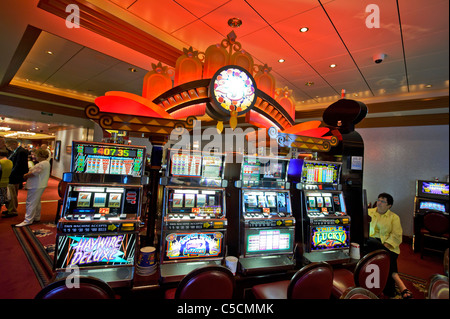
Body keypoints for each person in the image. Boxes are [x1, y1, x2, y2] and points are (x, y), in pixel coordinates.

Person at [366, 192, 413, 299]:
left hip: (388, 245)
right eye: (378, 200)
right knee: (371, 242)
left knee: (386, 258)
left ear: (389, 205)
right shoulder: (368, 212)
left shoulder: (394, 217)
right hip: (369, 243)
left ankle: (391, 289)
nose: (379, 203)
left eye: (383, 201)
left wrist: (384, 247)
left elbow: (396, 235)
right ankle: (398, 286)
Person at [15, 149, 50, 227]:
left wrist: (25, 175)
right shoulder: (46, 163)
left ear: (40, 155)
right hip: (39, 184)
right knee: (36, 202)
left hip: (36, 185)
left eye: (35, 155)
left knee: (30, 202)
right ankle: (36, 217)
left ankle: (28, 220)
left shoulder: (42, 164)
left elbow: (34, 173)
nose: (34, 157)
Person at [2, 139, 29, 218]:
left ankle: (12, 210)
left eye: (9, 146)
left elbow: (18, 165)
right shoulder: (16, 151)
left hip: (14, 176)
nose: (9, 148)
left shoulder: (21, 151)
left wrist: (9, 173)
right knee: (12, 194)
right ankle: (11, 209)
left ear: (14, 144)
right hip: (13, 175)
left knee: (12, 194)